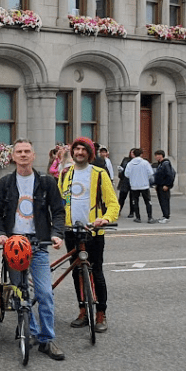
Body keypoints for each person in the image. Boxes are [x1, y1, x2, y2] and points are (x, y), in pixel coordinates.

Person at [0, 138, 66, 360]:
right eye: (19, 152)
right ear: (13, 157)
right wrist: (1, 233)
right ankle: (31, 332)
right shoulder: (5, 183)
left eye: (27, 151)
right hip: (14, 244)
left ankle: (47, 339)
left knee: (44, 293)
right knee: (19, 293)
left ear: (33, 156)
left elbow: (59, 211)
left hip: (38, 243)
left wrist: (56, 234)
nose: (23, 155)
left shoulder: (46, 182)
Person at [57, 136, 119, 334]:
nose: (79, 153)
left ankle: (101, 313)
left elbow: (113, 203)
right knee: (77, 272)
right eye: (76, 149)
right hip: (71, 231)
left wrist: (105, 219)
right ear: (72, 153)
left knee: (96, 271)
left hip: (93, 231)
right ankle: (83, 310)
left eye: (83, 149)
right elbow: (60, 202)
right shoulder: (65, 173)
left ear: (89, 153)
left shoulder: (99, 174)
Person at [124, 148, 154, 224]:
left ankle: (138, 217)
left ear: (133, 154)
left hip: (134, 185)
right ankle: (150, 217)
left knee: (135, 202)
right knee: (147, 201)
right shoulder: (145, 163)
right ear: (141, 154)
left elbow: (126, 174)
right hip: (144, 185)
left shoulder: (130, 164)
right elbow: (150, 173)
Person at [152, 150, 175, 224]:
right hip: (159, 185)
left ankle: (166, 216)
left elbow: (170, 175)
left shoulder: (165, 163)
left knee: (165, 201)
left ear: (161, 156)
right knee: (161, 201)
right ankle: (164, 215)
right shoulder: (160, 164)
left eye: (157, 155)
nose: (155, 157)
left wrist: (167, 185)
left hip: (164, 185)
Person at [116, 149, 132, 218]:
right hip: (124, 180)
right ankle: (118, 210)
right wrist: (120, 172)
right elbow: (121, 167)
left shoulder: (136, 161)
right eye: (131, 152)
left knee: (132, 198)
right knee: (122, 197)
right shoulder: (126, 159)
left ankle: (132, 212)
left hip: (132, 181)